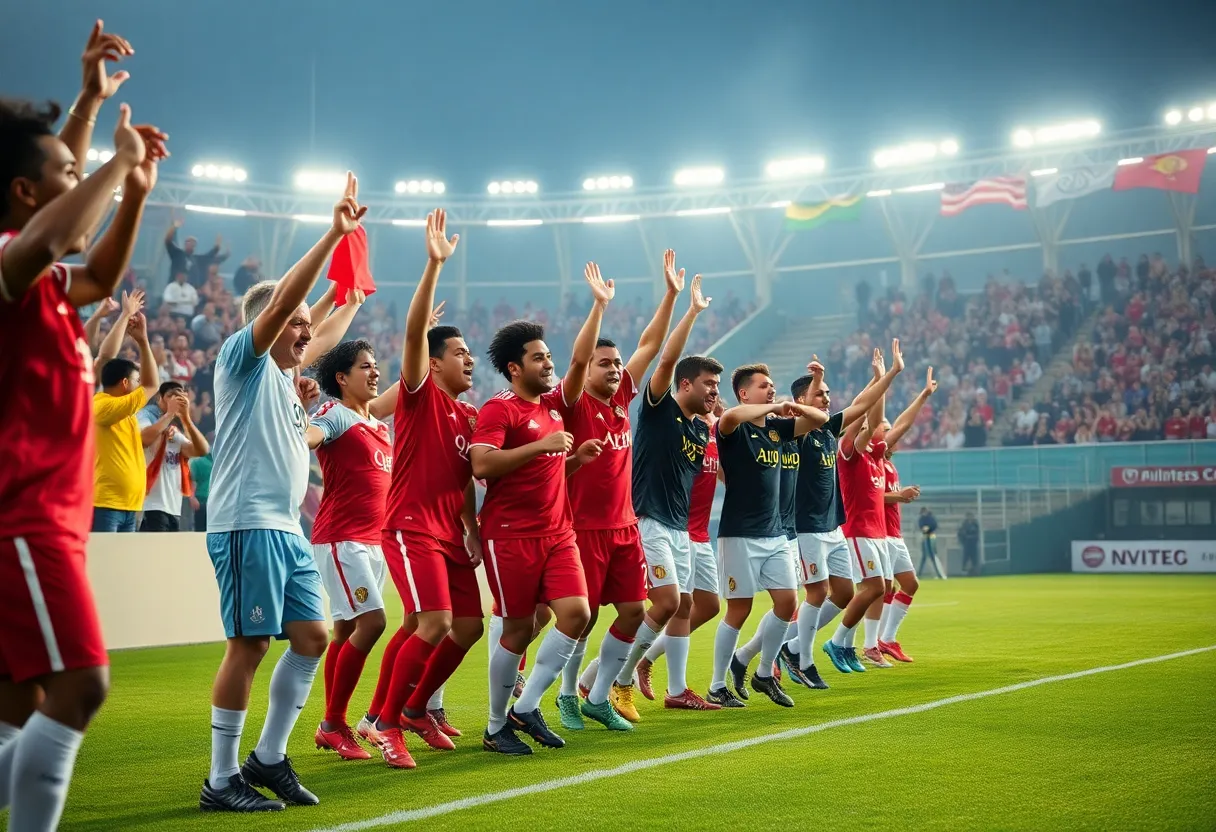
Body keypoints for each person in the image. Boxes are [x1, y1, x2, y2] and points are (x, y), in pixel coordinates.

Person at [0, 22, 165, 827]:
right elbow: (55, 228)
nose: (81, 183)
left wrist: (127, 184)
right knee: (82, 683)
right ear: (28, 193)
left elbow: (97, 269)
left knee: (21, 702)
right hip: (21, 517)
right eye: (68, 176)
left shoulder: (48, 283)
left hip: (45, 518)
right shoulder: (5, 258)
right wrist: (117, 161)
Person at [200, 173, 366, 812]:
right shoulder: (243, 359)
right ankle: (220, 781)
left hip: (284, 529)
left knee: (313, 637)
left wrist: (349, 283)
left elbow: (333, 315)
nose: (308, 331)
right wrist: (331, 235)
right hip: (246, 523)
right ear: (268, 324)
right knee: (247, 645)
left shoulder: (287, 374)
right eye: (295, 322)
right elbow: (285, 310)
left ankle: (267, 759)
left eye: (307, 323)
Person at [469, 262, 614, 754]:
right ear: (515, 367)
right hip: (509, 534)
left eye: (548, 355)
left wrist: (598, 306)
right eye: (538, 357)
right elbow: (482, 466)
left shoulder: (554, 405)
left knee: (577, 615)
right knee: (516, 628)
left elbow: (577, 364)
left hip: (558, 532)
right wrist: (543, 446)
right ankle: (495, 726)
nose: (548, 363)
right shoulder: (500, 408)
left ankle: (527, 706)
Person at [360, 210, 485, 766]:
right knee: (430, 623)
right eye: (459, 353)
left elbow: (462, 485)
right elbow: (414, 333)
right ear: (432, 365)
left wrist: (473, 531)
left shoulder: (470, 416)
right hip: (409, 525)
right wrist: (433, 266)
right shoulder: (420, 396)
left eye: (469, 354)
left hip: (450, 535)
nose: (469, 360)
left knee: (468, 626)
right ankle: (386, 722)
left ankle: (411, 711)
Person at [554, 249, 683, 731]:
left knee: (633, 612)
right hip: (582, 528)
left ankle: (599, 695)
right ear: (587, 370)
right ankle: (567, 695)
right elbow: (578, 356)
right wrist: (599, 307)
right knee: (582, 619)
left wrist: (670, 295)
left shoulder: (623, 398)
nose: (613, 370)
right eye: (603, 363)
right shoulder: (572, 402)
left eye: (616, 364)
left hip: (625, 527)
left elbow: (651, 344)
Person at [733, 351, 900, 691]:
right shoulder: (799, 431)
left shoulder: (828, 430)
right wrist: (817, 384)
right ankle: (802, 658)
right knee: (815, 592)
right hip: (804, 525)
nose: (827, 398)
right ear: (800, 400)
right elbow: (830, 408)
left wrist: (889, 374)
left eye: (827, 394)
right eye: (821, 394)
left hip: (832, 525)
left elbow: (862, 404)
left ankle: (766, 651)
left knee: (842, 592)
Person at [609, 279, 722, 711]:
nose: (714, 391)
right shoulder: (660, 410)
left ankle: (600, 681)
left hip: (681, 528)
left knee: (688, 603)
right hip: (651, 519)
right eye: (708, 383)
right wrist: (689, 311)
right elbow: (666, 358)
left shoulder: (699, 427)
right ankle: (618, 681)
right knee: (669, 601)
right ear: (685, 384)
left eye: (717, 385)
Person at [704, 364, 828, 707]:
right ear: (744, 393)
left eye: (773, 386)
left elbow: (818, 419)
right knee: (738, 610)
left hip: (774, 534)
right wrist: (775, 407)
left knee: (788, 603)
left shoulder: (778, 430)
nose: (771, 390)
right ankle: (716, 685)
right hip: (739, 534)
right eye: (763, 386)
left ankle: (763, 674)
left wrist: (793, 406)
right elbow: (731, 417)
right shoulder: (732, 426)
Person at [304, 336, 400, 762]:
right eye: (365, 366)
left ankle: (332, 725)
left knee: (344, 630)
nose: (374, 371)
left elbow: (411, 384)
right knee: (373, 622)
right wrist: (298, 428)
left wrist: (427, 354)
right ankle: (333, 723)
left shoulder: (377, 423)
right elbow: (311, 434)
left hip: (372, 540)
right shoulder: (334, 413)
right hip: (342, 539)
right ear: (342, 378)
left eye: (376, 364)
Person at [822, 342, 905, 675]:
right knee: (871, 588)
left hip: (877, 534)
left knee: (880, 588)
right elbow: (866, 412)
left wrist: (885, 378)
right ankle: (838, 641)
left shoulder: (875, 456)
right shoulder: (849, 451)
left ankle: (854, 644)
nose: (879, 428)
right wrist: (883, 378)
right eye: (872, 427)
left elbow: (877, 416)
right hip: (857, 531)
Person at [632, 399, 723, 701]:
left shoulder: (710, 437)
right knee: (672, 604)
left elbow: (727, 476)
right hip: (674, 527)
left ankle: (647, 660)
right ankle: (618, 672)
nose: (713, 398)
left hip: (696, 533)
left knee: (708, 606)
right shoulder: (683, 433)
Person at [871, 368, 938, 665]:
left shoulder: (890, 465)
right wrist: (900, 496)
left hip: (893, 535)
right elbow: (866, 497)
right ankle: (869, 644)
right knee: (879, 590)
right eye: (885, 429)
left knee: (908, 585)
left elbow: (903, 423)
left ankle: (886, 639)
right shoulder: (869, 461)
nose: (892, 433)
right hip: (876, 534)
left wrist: (923, 395)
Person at [92, 309, 163, 532]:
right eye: (136, 380)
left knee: (121, 566)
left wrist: (143, 340)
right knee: (104, 565)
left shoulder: (126, 413)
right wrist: (141, 341)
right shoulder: (101, 406)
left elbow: (150, 383)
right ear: (124, 383)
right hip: (105, 505)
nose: (139, 384)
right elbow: (152, 385)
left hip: (129, 506)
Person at [138, 381, 210, 532]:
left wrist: (186, 419)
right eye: (171, 396)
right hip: (151, 505)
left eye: (179, 396)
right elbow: (144, 438)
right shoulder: (146, 415)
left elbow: (202, 450)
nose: (175, 400)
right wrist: (170, 414)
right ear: (160, 397)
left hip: (173, 506)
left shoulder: (174, 430)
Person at [918, 506, 946, 579]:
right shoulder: (922, 518)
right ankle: (919, 573)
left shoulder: (931, 518)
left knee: (933, 556)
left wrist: (928, 528)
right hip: (925, 537)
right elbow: (920, 526)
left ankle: (939, 573)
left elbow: (934, 525)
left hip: (931, 537)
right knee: (924, 557)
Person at [189, 451, 213, 532]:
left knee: (200, 533)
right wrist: (192, 498)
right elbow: (193, 481)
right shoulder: (219, 463)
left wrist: (192, 498)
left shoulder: (197, 462)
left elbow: (192, 481)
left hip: (202, 502)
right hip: (205, 503)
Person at [958, 512, 980, 576]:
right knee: (965, 558)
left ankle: (975, 571)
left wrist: (975, 538)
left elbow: (977, 533)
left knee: (974, 558)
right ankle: (964, 571)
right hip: (966, 544)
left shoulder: (975, 524)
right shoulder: (964, 524)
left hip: (973, 544)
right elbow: (961, 533)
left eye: (971, 516)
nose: (970, 517)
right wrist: (963, 540)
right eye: (969, 516)